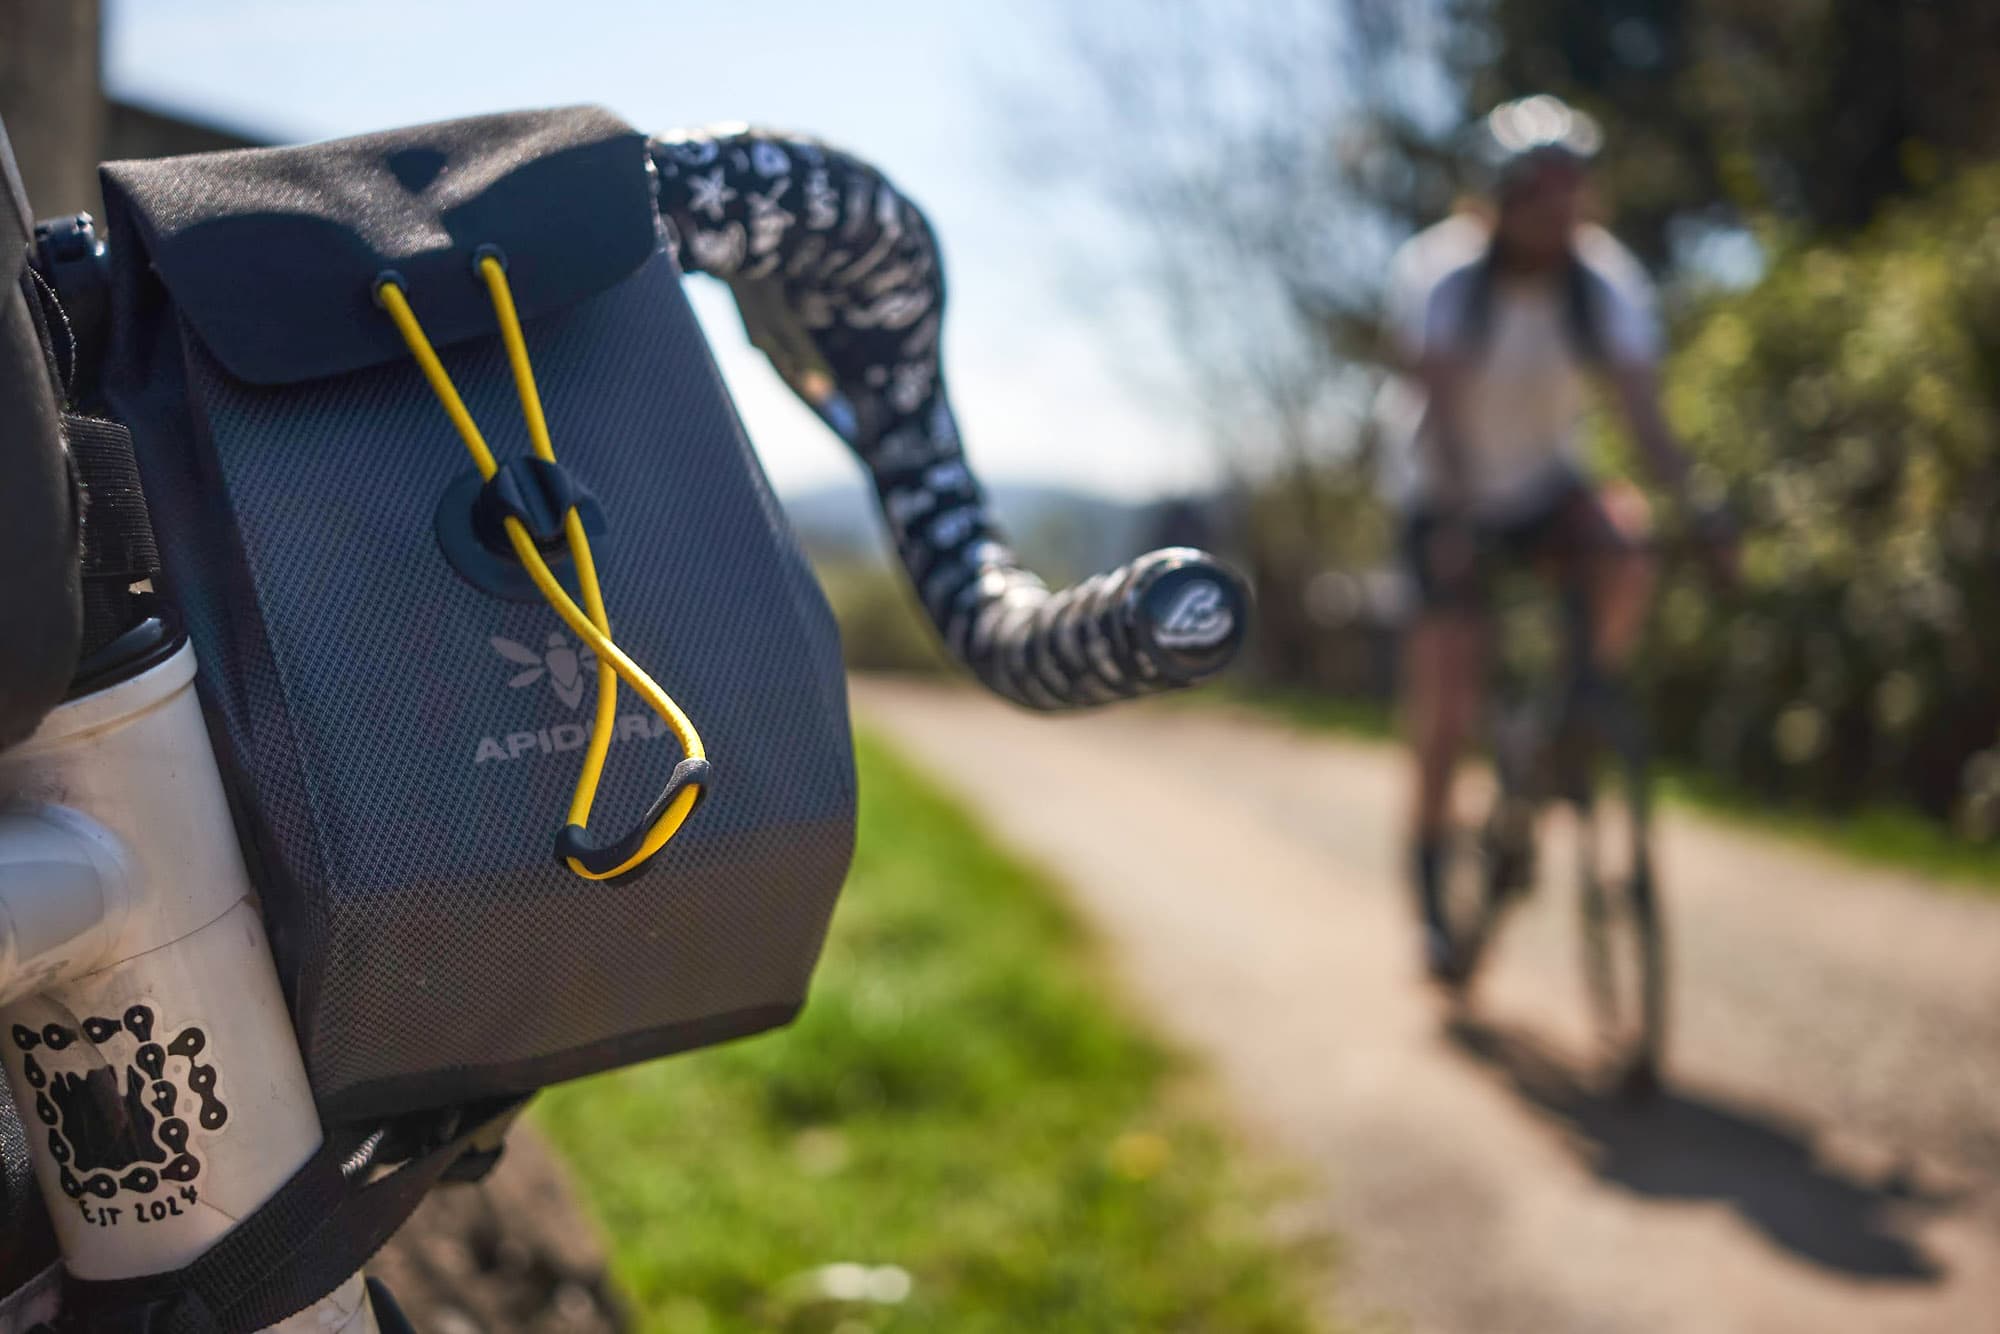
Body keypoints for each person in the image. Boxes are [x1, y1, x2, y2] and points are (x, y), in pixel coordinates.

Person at [1375, 94, 1714, 978]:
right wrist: (1454, 524)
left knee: (1627, 543)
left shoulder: (1603, 281)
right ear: (1499, 199)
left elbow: (1640, 411)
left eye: (1570, 192)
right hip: (1443, 489)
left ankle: (1573, 720)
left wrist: (1699, 504)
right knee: (1448, 703)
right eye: (1535, 192)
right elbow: (1440, 412)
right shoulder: (1445, 275)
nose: (1555, 211)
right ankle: (1431, 882)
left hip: (1544, 485)